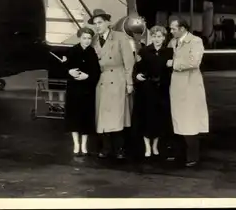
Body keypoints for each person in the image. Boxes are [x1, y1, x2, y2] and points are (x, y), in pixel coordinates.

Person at [90, 8, 135, 159]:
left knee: (118, 116)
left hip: (118, 79)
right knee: (103, 116)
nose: (97, 26)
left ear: (108, 23)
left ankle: (120, 149)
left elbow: (129, 61)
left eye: (100, 22)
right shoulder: (94, 40)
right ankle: (106, 148)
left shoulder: (120, 37)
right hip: (102, 81)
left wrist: (129, 83)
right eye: (95, 23)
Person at [167, 16, 209, 167]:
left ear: (183, 28)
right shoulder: (173, 42)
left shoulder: (196, 41)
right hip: (176, 86)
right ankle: (179, 154)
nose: (170, 31)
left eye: (173, 28)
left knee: (189, 120)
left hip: (190, 86)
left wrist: (174, 63)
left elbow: (194, 61)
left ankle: (193, 156)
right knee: (178, 120)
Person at [132, 25, 174, 159]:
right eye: (155, 36)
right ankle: (147, 146)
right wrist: (136, 76)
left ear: (164, 37)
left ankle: (155, 145)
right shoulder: (144, 51)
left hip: (162, 89)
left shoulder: (169, 52)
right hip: (147, 89)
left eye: (160, 36)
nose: (157, 39)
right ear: (151, 37)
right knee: (146, 117)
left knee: (159, 118)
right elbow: (136, 68)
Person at [64, 27, 101, 156]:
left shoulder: (92, 53)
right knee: (74, 117)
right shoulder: (72, 51)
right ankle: (76, 144)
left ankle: (84, 144)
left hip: (87, 90)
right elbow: (65, 68)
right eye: (84, 38)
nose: (86, 41)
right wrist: (70, 72)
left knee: (86, 118)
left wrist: (88, 77)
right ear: (80, 38)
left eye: (89, 38)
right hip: (74, 90)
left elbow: (96, 72)